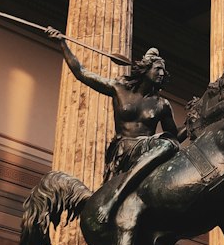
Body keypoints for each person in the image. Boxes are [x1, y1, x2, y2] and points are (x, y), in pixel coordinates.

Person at [47, 34, 179, 185]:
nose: (161, 74)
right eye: (157, 69)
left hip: (146, 153)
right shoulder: (120, 88)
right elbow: (82, 73)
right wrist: (62, 44)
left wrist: (193, 126)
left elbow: (173, 137)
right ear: (146, 69)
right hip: (123, 150)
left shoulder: (162, 104)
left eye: (163, 70)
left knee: (167, 145)